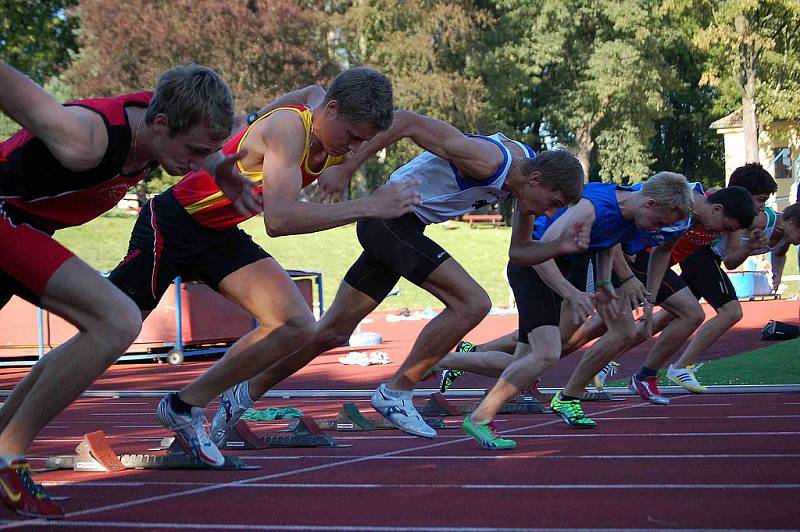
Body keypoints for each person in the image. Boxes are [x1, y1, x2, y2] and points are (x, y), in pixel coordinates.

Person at [208, 111, 587, 445]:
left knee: (331, 333)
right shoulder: (489, 161)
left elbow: (519, 253)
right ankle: (397, 391)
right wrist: (346, 166)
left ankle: (240, 395)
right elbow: (405, 121)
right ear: (536, 180)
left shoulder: (525, 185)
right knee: (473, 303)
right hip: (389, 221)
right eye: (552, 203)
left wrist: (563, 248)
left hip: (402, 229)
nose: (549, 212)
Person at [108, 67, 421, 467]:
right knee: (108, 329)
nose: (354, 149)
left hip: (218, 234)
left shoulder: (317, 105)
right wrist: (369, 207)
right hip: (171, 224)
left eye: (364, 141)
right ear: (333, 109)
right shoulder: (291, 129)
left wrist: (249, 127)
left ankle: (185, 406)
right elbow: (280, 220)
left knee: (296, 324)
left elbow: (310, 88)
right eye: (353, 137)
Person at [0, 61, 245, 519]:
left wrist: (222, 170)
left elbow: (204, 143)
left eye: (203, 155)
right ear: (160, 124)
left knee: (106, 322)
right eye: (193, 152)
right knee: (115, 318)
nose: (194, 166)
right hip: (6, 219)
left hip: (23, 228)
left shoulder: (159, 124)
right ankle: (7, 453)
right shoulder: (85, 139)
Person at [454, 172, 695, 448]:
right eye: (659, 223)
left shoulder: (630, 213)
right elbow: (539, 252)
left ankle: (437, 362)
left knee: (528, 360)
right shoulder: (591, 207)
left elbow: (607, 244)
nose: (656, 231)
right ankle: (480, 416)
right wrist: (571, 293)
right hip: (533, 268)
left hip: (557, 269)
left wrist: (604, 282)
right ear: (650, 203)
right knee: (546, 354)